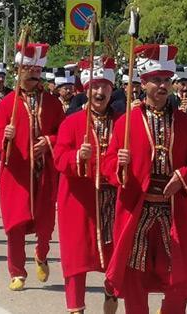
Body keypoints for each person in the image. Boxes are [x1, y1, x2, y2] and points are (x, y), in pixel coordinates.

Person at [103, 44, 187, 314]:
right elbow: (107, 164)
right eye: (156, 80)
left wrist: (184, 175)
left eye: (166, 80)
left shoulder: (185, 123)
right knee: (133, 272)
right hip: (137, 209)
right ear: (143, 82)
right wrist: (120, 165)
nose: (163, 86)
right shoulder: (125, 123)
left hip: (173, 210)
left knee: (177, 273)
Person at [0, 43, 65, 291]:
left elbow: (63, 134)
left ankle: (42, 254)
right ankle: (17, 271)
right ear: (18, 71)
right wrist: (5, 135)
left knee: (45, 224)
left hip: (43, 172)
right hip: (16, 173)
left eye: (36, 73)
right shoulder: (7, 103)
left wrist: (49, 141)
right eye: (28, 72)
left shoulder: (53, 103)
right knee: (14, 225)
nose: (32, 77)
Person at [54, 56, 121, 314]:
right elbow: (59, 158)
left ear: (111, 89)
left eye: (104, 86)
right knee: (76, 256)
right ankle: (75, 307)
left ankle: (111, 292)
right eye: (95, 85)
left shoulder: (122, 123)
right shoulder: (72, 123)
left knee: (114, 252)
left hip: (112, 198)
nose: (99, 91)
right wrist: (76, 157)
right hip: (79, 200)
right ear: (86, 88)